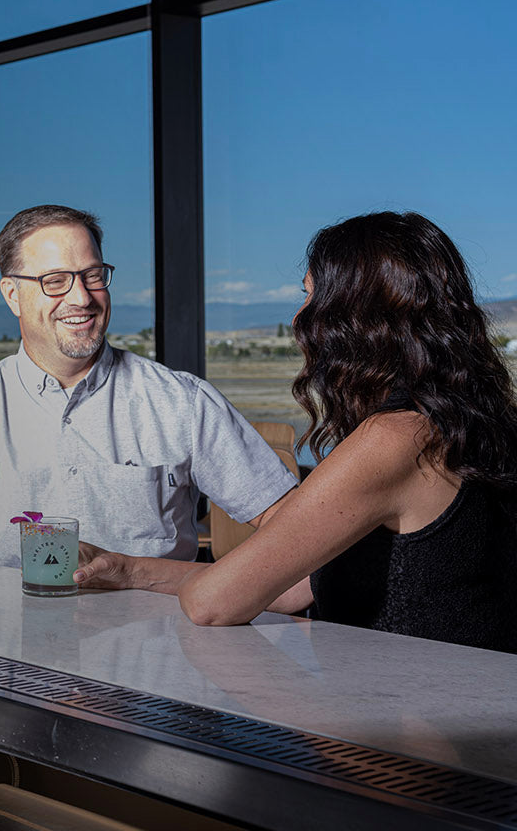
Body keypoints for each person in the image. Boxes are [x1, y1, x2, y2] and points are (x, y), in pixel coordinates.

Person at [73, 212, 517, 653]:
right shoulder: (469, 422)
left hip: (404, 694)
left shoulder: (395, 438)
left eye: (310, 296)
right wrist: (129, 571)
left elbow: (212, 603)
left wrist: (215, 584)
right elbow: (293, 586)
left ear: (355, 313)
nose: (299, 318)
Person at [0, 204, 297, 577]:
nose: (81, 297)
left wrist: (227, 589)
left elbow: (294, 525)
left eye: (93, 275)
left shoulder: (182, 402)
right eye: (55, 281)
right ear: (12, 295)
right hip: (8, 646)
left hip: (155, 646)